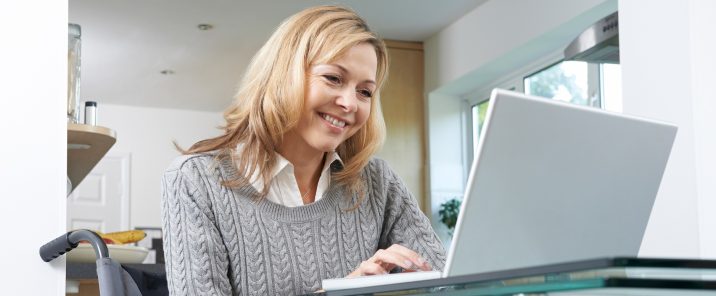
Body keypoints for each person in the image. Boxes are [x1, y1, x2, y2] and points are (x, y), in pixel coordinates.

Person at [161, 5, 445, 295]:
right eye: (334, 78)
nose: (350, 103)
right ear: (283, 75)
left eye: (365, 92)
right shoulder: (195, 180)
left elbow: (449, 281)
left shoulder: (376, 181)